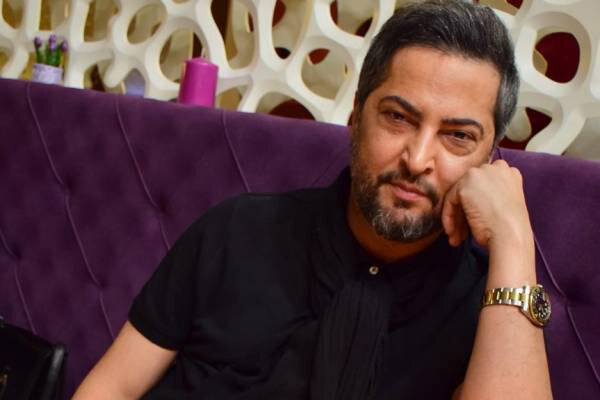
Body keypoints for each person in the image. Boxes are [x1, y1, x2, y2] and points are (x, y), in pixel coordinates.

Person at [73, 1, 553, 399]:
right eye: (398, 118)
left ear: (487, 160)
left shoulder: (484, 307)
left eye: (458, 136)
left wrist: (514, 239)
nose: (418, 158)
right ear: (356, 117)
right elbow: (112, 387)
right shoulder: (236, 230)